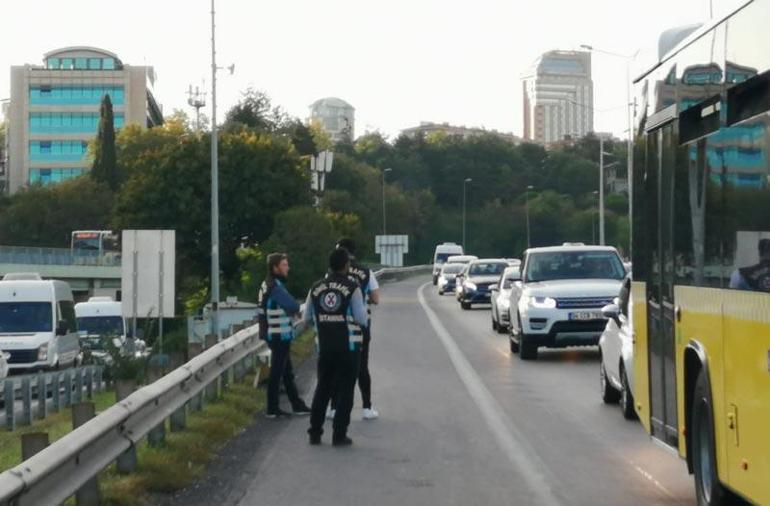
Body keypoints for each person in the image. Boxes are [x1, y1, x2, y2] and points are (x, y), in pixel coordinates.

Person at [305, 248, 368, 446]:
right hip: (348, 347)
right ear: (345, 265)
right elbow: (361, 318)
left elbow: (307, 318)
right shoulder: (352, 287)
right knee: (345, 391)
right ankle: (339, 434)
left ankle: (315, 432)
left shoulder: (315, 288)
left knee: (322, 389)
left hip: (325, 347)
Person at [328, 238, 381, 421]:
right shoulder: (366, 272)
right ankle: (366, 408)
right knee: (361, 367)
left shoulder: (331, 274)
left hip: (336, 326)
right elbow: (375, 298)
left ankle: (334, 407)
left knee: (335, 367)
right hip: (360, 327)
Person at [258, 253, 311, 418]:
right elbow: (293, 304)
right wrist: (294, 310)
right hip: (278, 334)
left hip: (276, 333)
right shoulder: (275, 286)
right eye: (284, 265)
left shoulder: (268, 284)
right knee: (278, 372)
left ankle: (297, 405)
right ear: (275, 268)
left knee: (286, 372)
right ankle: (272, 408)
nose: (288, 268)